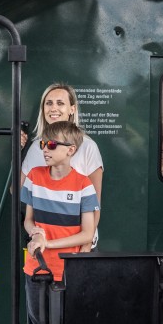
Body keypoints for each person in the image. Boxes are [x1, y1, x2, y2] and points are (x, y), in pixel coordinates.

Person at [20, 120, 100, 324]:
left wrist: (48, 242)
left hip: (67, 272)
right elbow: (28, 220)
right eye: (43, 144)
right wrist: (35, 233)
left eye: (52, 145)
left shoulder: (84, 185)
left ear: (71, 150)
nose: (45, 149)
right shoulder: (34, 177)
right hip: (36, 270)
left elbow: (86, 234)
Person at [21, 83, 104, 245]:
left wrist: (86, 245)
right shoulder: (36, 146)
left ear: (72, 109)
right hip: (43, 243)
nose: (53, 108)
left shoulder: (88, 147)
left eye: (60, 103)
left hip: (77, 243)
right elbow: (18, 190)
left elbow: (95, 205)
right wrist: (16, 150)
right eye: (49, 103)